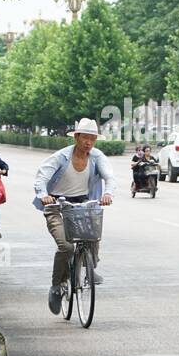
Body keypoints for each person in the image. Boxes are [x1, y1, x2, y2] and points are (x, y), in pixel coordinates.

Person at [33, 118, 115, 315]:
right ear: (76, 137)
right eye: (85, 138)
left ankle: (90, 267)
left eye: (92, 139)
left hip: (81, 204)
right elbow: (42, 176)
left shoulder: (97, 157)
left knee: (92, 234)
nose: (89, 143)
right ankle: (56, 286)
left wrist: (108, 193)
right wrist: (44, 194)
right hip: (56, 205)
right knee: (67, 246)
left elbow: (109, 177)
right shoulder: (60, 157)